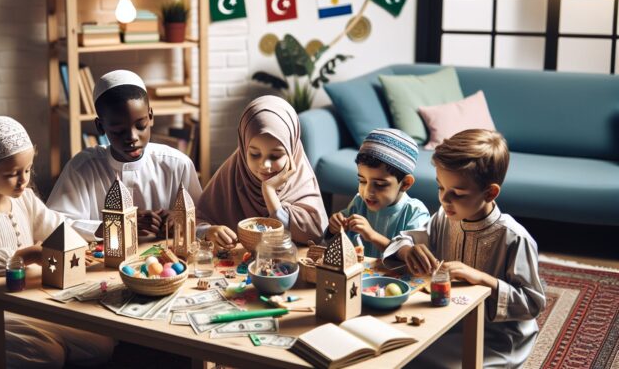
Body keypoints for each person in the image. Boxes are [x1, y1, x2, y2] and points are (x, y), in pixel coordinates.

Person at [0, 116, 113, 369]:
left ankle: (45, 343)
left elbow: (58, 225)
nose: (24, 180)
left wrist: (94, 235)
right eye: (13, 174)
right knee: (49, 358)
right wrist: (28, 254)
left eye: (28, 170)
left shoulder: (25, 198)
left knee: (102, 344)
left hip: (29, 303)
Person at [382, 129, 546, 368]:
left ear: (490, 192)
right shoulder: (444, 218)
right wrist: (408, 251)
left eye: (457, 193)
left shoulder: (514, 238)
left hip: (497, 338)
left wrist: (481, 279)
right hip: (447, 321)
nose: (444, 200)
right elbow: (402, 241)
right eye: (440, 188)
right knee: (396, 351)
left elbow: (532, 303)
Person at [47, 70, 202, 242]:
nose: (132, 137)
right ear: (100, 126)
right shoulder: (82, 168)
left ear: (150, 117)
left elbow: (202, 221)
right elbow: (54, 226)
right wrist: (115, 224)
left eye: (141, 126)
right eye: (119, 131)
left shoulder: (177, 164)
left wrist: (179, 220)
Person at [197, 95, 327, 247]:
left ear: (292, 151)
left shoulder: (301, 182)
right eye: (254, 154)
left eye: (275, 156)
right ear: (243, 148)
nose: (265, 165)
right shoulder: (232, 174)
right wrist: (208, 231)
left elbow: (316, 233)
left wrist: (269, 193)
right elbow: (194, 221)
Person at [325, 128, 430, 258]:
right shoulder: (359, 203)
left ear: (405, 183)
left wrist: (373, 236)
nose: (368, 191)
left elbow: (413, 258)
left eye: (380, 184)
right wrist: (333, 228)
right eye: (362, 181)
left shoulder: (415, 213)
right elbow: (335, 239)